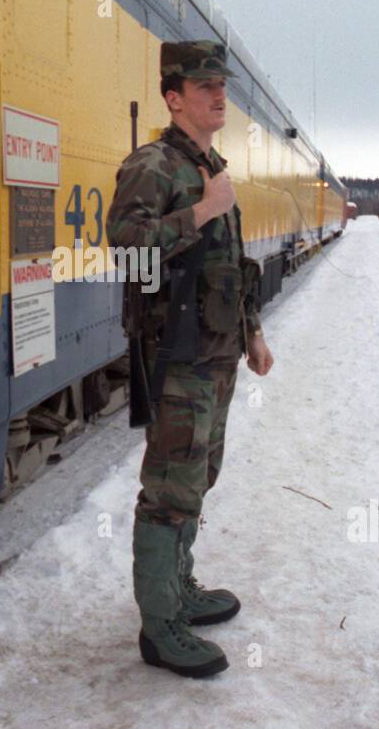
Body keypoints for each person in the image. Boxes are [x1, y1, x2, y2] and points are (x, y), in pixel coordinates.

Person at [105, 39, 274, 678]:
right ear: (174, 98)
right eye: (205, 87)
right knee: (170, 491)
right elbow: (127, 252)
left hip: (218, 354)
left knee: (199, 477)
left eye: (221, 85)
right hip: (177, 356)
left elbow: (229, 267)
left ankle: (179, 587)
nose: (219, 94)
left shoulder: (211, 162)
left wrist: (252, 331)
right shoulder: (154, 166)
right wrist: (204, 210)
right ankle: (160, 627)